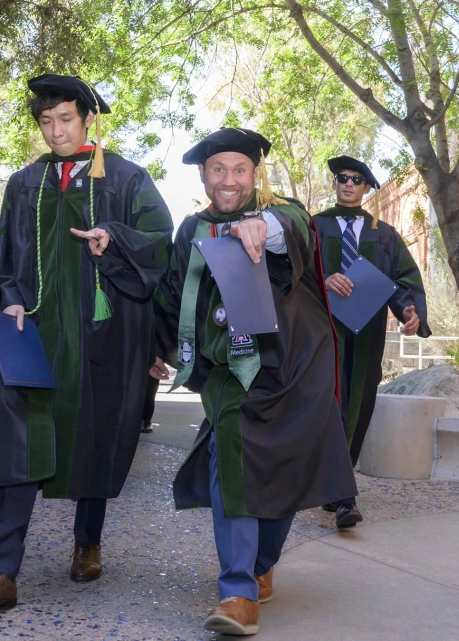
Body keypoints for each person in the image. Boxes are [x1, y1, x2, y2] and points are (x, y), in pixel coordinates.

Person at [0, 74, 173, 615]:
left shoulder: (126, 178)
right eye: (46, 122)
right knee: (19, 440)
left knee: (97, 433)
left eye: (66, 120)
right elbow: (3, 255)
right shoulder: (25, 182)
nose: (55, 131)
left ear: (88, 119)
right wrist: (6, 300)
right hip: (34, 335)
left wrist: (115, 239)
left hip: (105, 333)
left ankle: (88, 540)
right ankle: (2, 570)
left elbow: (160, 240)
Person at [152, 128, 356, 636]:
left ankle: (263, 563)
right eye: (217, 169)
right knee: (233, 467)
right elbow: (174, 292)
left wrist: (258, 225)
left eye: (238, 169)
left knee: (286, 471)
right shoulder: (192, 228)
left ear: (255, 174)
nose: (228, 180)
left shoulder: (282, 213)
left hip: (296, 368)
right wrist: (159, 350)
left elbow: (295, 232)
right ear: (203, 175)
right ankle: (238, 591)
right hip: (231, 373)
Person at [313, 156, 430, 529]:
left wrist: (410, 313)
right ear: (334, 183)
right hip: (323, 330)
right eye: (343, 178)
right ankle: (339, 491)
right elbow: (293, 271)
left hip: (366, 333)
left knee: (359, 403)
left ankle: (339, 489)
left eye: (358, 179)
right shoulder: (314, 226)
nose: (349, 184)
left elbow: (404, 279)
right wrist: (324, 278)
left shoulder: (384, 233)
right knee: (327, 404)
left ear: (366, 188)